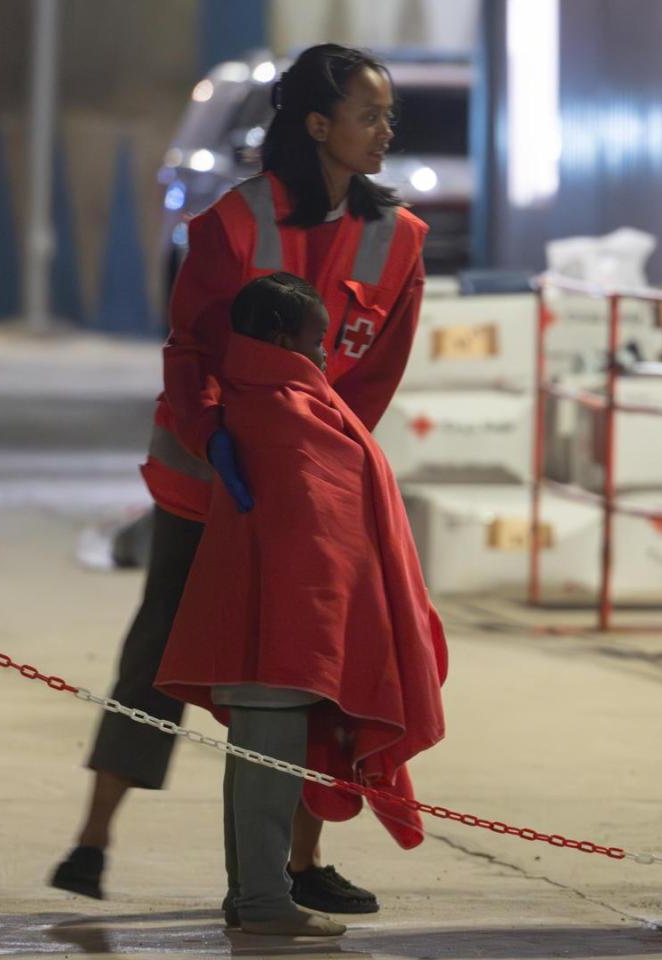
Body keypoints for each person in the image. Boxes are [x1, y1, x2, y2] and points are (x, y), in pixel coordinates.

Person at [51, 43, 429, 917]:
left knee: (315, 666)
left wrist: (325, 463)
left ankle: (303, 861)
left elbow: (376, 375)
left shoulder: (399, 240)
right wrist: (217, 437)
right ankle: (92, 839)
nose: (385, 132)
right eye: (369, 115)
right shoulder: (230, 224)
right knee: (162, 649)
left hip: (313, 492)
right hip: (211, 477)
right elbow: (189, 352)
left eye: (389, 116)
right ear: (317, 125)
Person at [155, 272, 446, 937]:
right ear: (283, 339)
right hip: (282, 634)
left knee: (253, 770)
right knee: (268, 774)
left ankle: (249, 895)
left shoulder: (258, 401)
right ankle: (263, 902)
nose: (324, 354)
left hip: (260, 628)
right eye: (317, 341)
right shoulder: (287, 412)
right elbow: (319, 538)